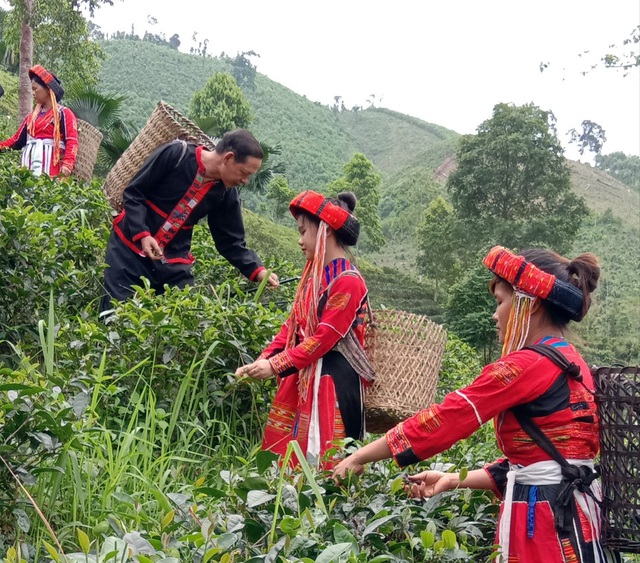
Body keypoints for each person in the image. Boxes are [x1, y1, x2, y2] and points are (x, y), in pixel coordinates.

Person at [333, 246, 620, 563]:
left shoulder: (526, 365)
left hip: (545, 530)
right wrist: (452, 480)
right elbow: (537, 464)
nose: (495, 314)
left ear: (531, 302)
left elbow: (448, 417)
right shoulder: (574, 362)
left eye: (500, 302)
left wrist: (361, 456)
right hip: (583, 521)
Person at [236, 190, 374, 468]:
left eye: (303, 231)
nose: (299, 240)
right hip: (302, 375)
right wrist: (262, 361)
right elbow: (292, 328)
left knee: (325, 464)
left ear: (325, 231)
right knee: (287, 464)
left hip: (332, 381)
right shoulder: (313, 278)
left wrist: (275, 366)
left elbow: (324, 339)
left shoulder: (348, 281)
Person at [99, 129, 279, 314]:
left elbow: (231, 242)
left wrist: (258, 271)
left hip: (172, 263)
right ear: (228, 158)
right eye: (244, 172)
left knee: (184, 315)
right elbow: (135, 193)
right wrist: (143, 234)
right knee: (116, 314)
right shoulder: (177, 154)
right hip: (128, 249)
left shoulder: (226, 193)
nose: (246, 181)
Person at [0, 65, 78, 177]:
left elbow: (72, 140)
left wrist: (68, 164)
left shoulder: (64, 113)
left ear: (47, 89)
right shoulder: (31, 118)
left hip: (53, 168)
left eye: (35, 89)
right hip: (29, 165)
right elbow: (16, 141)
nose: (33, 93)